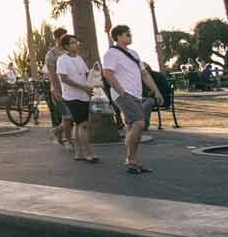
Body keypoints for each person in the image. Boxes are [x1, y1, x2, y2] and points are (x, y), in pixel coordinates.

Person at [103, 24, 160, 174]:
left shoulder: (134, 53)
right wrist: (120, 91)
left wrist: (156, 91)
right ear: (118, 37)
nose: (130, 36)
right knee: (139, 123)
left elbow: (145, 74)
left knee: (133, 127)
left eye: (130, 34)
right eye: (127, 34)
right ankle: (131, 160)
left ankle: (132, 160)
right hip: (124, 94)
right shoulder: (112, 53)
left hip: (136, 94)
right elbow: (108, 73)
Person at [54, 34, 98, 163]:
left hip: (84, 95)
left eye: (76, 42)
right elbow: (64, 78)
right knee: (83, 124)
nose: (75, 44)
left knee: (80, 124)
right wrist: (82, 87)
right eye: (72, 43)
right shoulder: (62, 60)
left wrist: (93, 76)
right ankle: (88, 153)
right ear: (66, 46)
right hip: (71, 96)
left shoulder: (79, 58)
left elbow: (85, 74)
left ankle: (78, 152)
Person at [43, 27, 70, 145]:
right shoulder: (51, 54)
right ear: (57, 38)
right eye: (63, 37)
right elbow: (51, 73)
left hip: (72, 87)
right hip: (59, 88)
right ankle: (69, 140)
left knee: (71, 116)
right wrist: (55, 89)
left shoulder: (69, 51)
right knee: (67, 116)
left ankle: (58, 131)